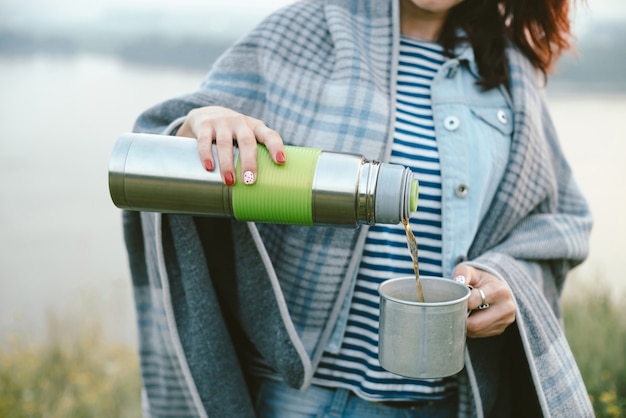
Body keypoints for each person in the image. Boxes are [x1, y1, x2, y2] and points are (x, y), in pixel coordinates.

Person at [122, 0, 594, 416]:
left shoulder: (512, 74)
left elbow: (559, 224)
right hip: (298, 399)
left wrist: (506, 281)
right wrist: (201, 124)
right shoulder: (298, 32)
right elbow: (158, 145)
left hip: (448, 403)